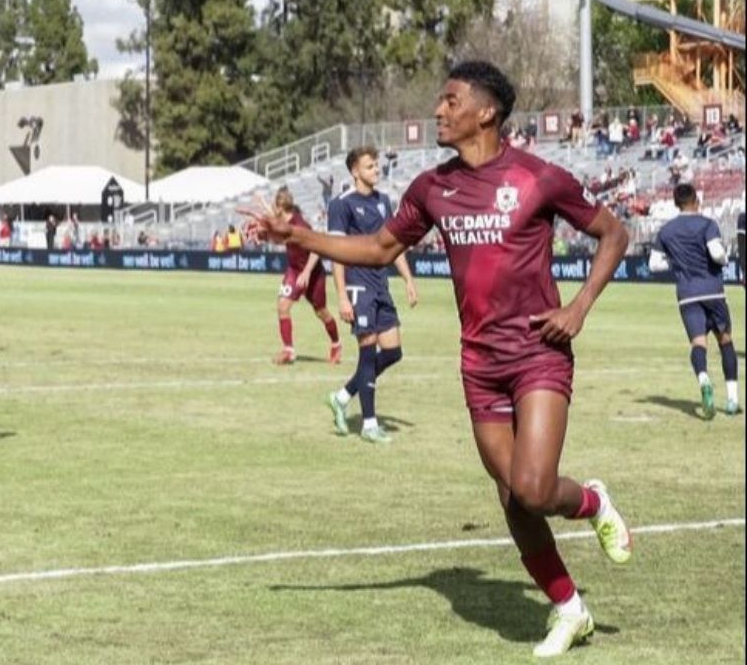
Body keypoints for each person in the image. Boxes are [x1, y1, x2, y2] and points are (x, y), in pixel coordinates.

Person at [241, 61, 633, 658]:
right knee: (510, 494)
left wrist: (578, 307)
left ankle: (593, 501)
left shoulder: (538, 177)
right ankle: (569, 608)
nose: (439, 111)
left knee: (531, 486)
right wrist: (296, 235)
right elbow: (377, 248)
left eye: (451, 101)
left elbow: (614, 233)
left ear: (487, 112)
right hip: (479, 360)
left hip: (538, 353)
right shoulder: (432, 188)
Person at [326, 146, 419, 443]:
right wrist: (341, 295)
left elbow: (392, 246)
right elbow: (336, 254)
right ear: (355, 171)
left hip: (381, 284)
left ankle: (342, 396)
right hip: (357, 284)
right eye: (370, 166)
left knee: (393, 351)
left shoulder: (383, 201)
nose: (376, 170)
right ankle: (368, 424)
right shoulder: (341, 205)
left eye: (377, 166)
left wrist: (407, 279)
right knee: (367, 353)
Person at [648, 184, 738, 417]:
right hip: (713, 292)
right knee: (725, 342)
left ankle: (704, 379)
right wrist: (725, 258)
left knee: (698, 344)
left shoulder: (666, 231)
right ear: (696, 200)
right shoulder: (708, 224)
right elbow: (717, 253)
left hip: (687, 294)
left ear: (676, 203)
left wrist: (676, 264)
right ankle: (731, 400)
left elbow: (654, 265)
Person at [272, 187, 342, 366]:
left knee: (321, 312)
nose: (273, 207)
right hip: (294, 270)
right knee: (282, 306)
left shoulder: (300, 225)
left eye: (274, 203)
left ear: (281, 206)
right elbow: (274, 227)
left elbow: (316, 248)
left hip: (313, 273)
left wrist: (307, 272)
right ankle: (289, 351)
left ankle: (336, 343)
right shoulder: (283, 221)